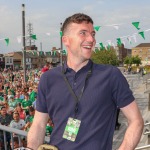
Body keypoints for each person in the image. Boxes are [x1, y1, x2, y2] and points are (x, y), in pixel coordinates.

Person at [27, 13, 144, 150]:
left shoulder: (111, 75)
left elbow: (136, 121)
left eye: (93, 34)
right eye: (83, 33)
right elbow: (39, 125)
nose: (91, 39)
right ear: (66, 40)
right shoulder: (48, 79)